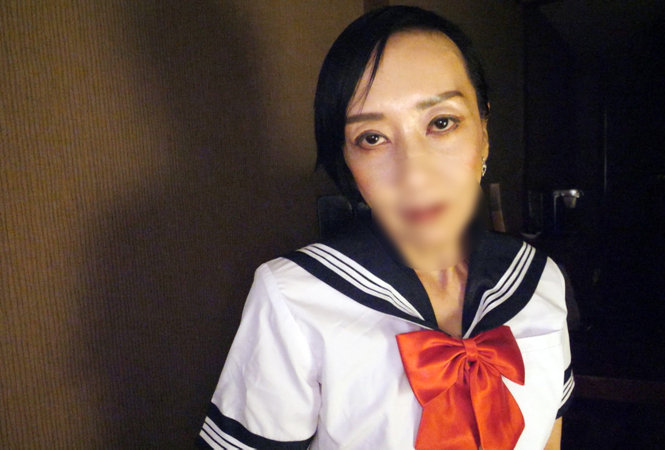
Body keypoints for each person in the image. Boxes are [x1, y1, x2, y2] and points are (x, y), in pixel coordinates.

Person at [198, 6, 572, 449]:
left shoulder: (541, 280)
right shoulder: (293, 298)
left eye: (441, 123)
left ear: (484, 132)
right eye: (372, 138)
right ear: (346, 159)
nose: (414, 175)